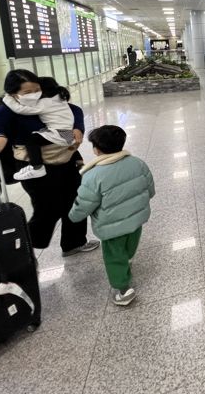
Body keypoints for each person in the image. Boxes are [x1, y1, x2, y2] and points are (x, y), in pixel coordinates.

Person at [0, 70, 99, 257]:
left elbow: (73, 110)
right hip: (35, 166)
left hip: (64, 160)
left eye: (37, 89)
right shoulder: (6, 111)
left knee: (76, 201)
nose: (35, 94)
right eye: (28, 92)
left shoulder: (46, 100)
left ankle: (73, 243)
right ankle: (22, 252)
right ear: (13, 94)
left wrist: (77, 128)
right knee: (48, 210)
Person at [68, 125, 155, 307]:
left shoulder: (93, 176)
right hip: (136, 219)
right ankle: (127, 260)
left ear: (96, 149)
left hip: (111, 227)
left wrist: (74, 216)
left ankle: (122, 290)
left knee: (114, 256)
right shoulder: (137, 163)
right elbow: (150, 190)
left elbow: (84, 203)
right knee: (130, 244)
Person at [3, 77, 75, 181]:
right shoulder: (59, 97)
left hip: (61, 133)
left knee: (31, 140)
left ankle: (37, 167)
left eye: (37, 90)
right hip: (67, 133)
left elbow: (21, 109)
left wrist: (8, 98)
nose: (34, 94)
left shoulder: (45, 102)